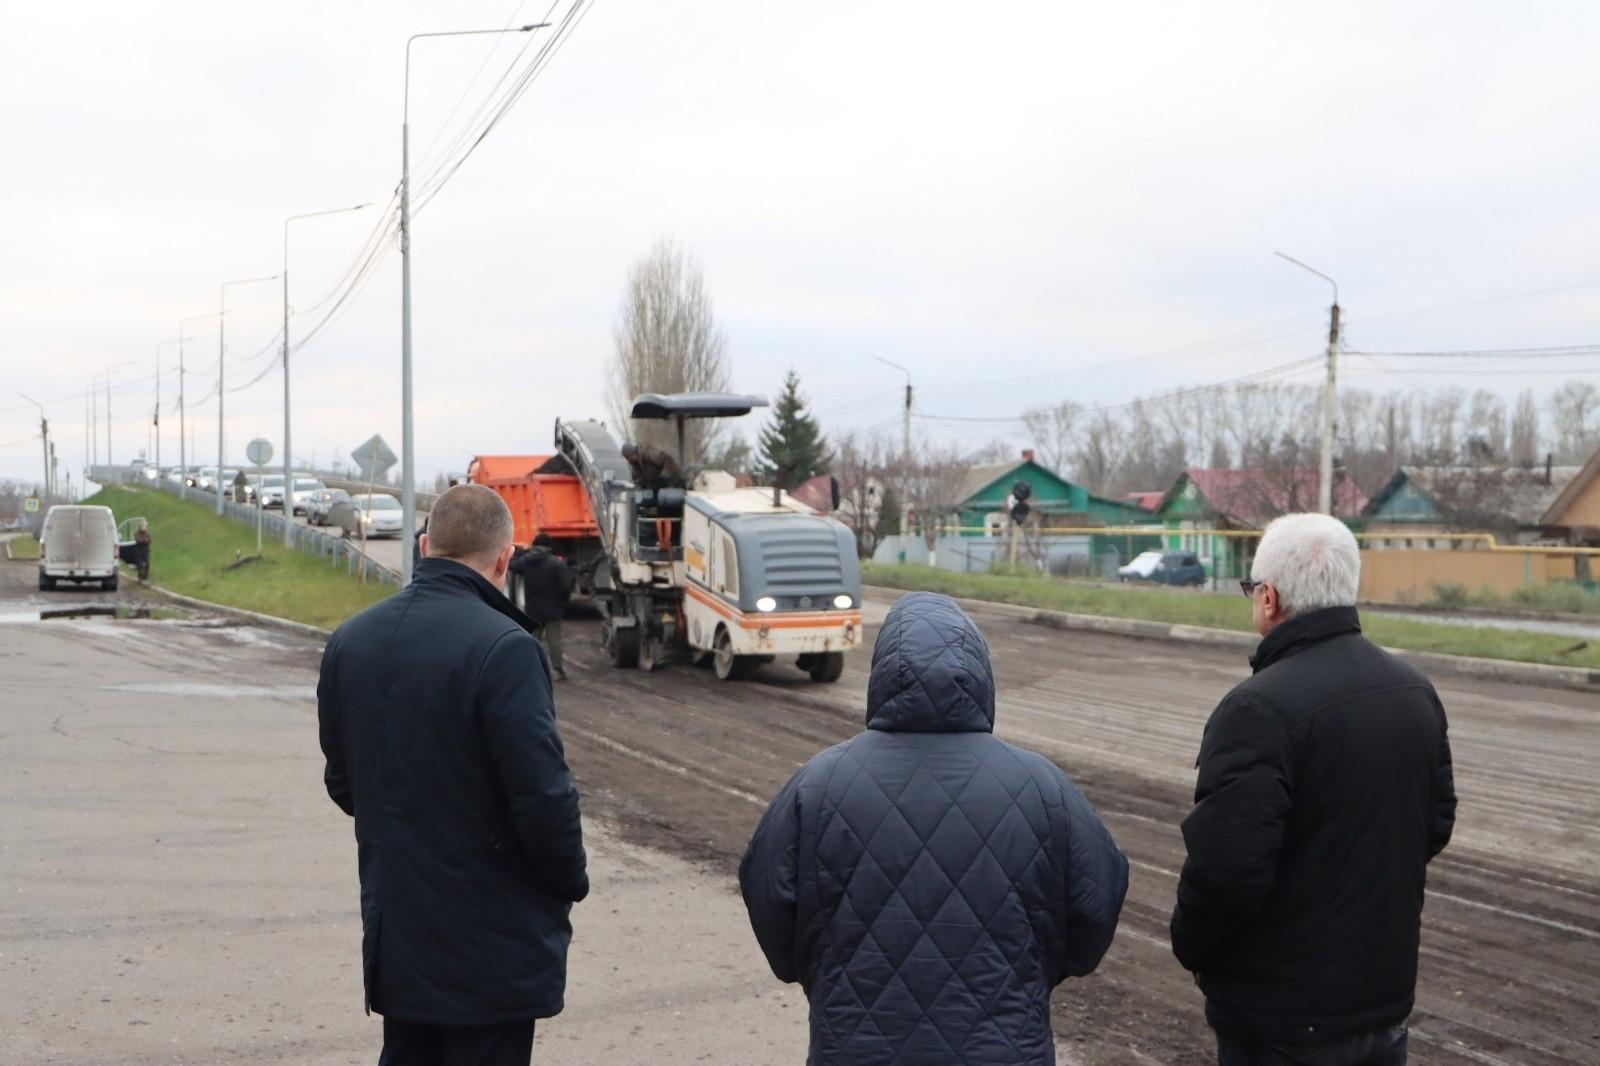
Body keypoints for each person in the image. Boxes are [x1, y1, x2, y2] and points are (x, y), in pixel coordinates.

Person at [740, 592, 1128, 1066]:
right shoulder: (1042, 785)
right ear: (979, 672)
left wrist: (824, 974)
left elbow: (771, 900)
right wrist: (1029, 976)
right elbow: (1094, 906)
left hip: (856, 1046)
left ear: (882, 674)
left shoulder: (817, 784)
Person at [1170, 513, 1456, 1066]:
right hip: (1383, 1000)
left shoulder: (1256, 709)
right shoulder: (1415, 691)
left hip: (1281, 1019)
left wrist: (1191, 946)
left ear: (1269, 598)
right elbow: (1434, 823)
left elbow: (1226, 869)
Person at [317, 484, 587, 1066]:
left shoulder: (350, 641)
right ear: (504, 558)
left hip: (398, 927)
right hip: (489, 943)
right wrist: (569, 880)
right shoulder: (507, 649)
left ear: (422, 546)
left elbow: (344, 783)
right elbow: (543, 798)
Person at [509, 533, 576, 680]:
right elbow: (565, 586)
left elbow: (513, 567)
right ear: (548, 546)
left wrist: (519, 553)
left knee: (532, 642)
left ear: (534, 544)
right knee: (555, 642)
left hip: (533, 610)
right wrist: (564, 601)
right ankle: (557, 671)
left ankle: (529, 671)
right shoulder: (556, 563)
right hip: (553, 609)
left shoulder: (526, 561)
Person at [620, 441, 684, 492]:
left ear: (631, 454)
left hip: (674, 483)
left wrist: (665, 476)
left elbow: (667, 459)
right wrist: (639, 482)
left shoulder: (648, 453)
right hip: (658, 490)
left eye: (627, 457)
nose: (628, 460)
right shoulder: (636, 466)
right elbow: (639, 480)